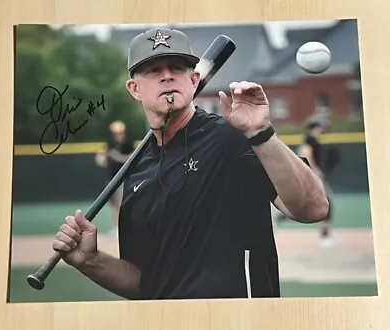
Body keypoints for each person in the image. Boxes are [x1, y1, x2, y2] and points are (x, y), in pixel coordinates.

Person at [52, 27, 329, 300]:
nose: (167, 76)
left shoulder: (232, 137)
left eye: (176, 67)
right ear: (134, 89)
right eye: (153, 70)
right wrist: (91, 261)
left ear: (194, 80)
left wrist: (262, 133)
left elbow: (314, 208)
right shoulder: (137, 172)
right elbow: (147, 282)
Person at [297, 115, 334, 247]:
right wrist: (315, 172)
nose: (323, 128)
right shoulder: (310, 139)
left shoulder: (315, 139)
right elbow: (305, 153)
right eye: (321, 126)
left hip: (315, 176)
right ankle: (325, 236)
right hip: (313, 176)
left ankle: (280, 218)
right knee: (326, 203)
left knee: (306, 203)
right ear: (316, 126)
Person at [95, 120, 134, 235]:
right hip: (112, 178)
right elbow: (103, 159)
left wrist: (120, 158)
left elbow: (129, 157)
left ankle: (123, 228)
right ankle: (116, 227)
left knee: (122, 203)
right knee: (114, 203)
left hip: (125, 178)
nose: (118, 135)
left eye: (120, 132)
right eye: (116, 133)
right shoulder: (110, 143)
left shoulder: (128, 143)